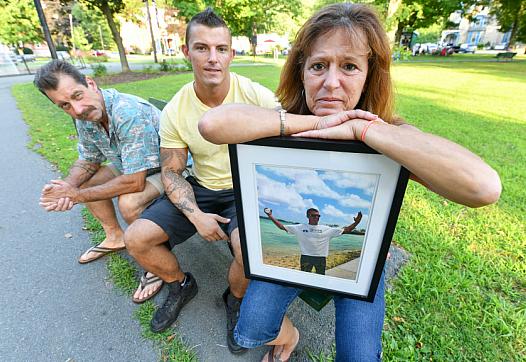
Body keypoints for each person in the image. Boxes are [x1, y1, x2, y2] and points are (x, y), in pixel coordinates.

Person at [198, 3, 501, 361]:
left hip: (358, 269)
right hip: (290, 261)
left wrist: (361, 128)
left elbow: (483, 187)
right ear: (303, 72)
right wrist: (314, 125)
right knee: (251, 328)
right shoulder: (284, 123)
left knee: (358, 357)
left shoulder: (390, 137)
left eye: (350, 66)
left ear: (369, 75)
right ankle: (288, 336)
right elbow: (212, 125)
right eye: (318, 66)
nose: (330, 82)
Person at [122, 8, 278, 354]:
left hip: (244, 190)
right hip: (201, 189)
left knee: (248, 252)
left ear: (232, 54)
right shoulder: (177, 109)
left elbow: (289, 137)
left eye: (221, 49)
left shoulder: (256, 96)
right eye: (202, 48)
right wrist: (195, 215)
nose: (212, 58)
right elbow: (172, 171)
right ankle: (180, 284)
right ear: (186, 51)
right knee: (136, 238)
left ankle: (233, 297)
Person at [35, 60, 165, 304]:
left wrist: (76, 197)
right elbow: (89, 159)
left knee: (129, 203)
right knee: (85, 183)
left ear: (91, 84)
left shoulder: (128, 112)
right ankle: (115, 237)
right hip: (130, 163)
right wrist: (68, 187)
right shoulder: (84, 115)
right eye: (65, 105)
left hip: (170, 169)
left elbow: (135, 182)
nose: (77, 109)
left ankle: (155, 260)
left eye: (77, 95)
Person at [264, 207, 362, 274]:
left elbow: (346, 230)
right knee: (304, 278)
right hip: (306, 258)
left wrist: (357, 222)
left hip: (320, 258)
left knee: (320, 278)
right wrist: (270, 215)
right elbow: (281, 227)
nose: (316, 217)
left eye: (318, 216)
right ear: (308, 216)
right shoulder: (300, 227)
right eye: (314, 215)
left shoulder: (326, 229)